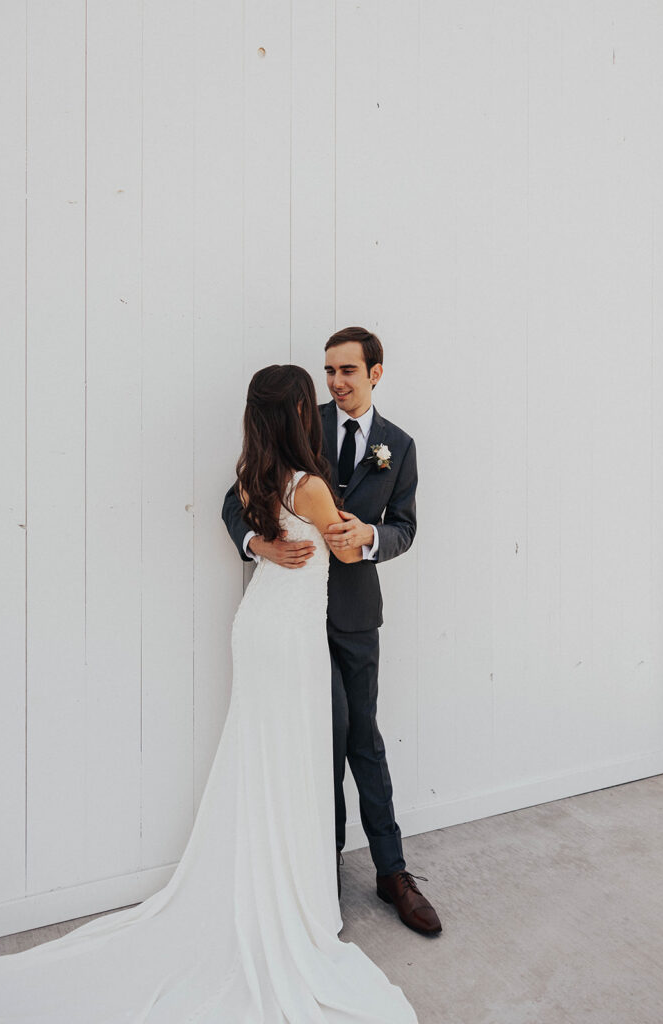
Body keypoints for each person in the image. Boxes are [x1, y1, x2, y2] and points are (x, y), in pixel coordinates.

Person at [0, 363, 417, 1023]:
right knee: (292, 765)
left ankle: (283, 884)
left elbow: (260, 515)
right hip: (290, 640)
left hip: (263, 627)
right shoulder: (309, 487)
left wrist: (269, 540)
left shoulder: (259, 474)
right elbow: (349, 551)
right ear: (303, 413)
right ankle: (288, 898)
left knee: (269, 763)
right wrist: (354, 537)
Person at [222, 327, 442, 937]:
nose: (337, 383)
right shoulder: (300, 420)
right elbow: (235, 499)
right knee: (315, 743)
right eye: (328, 371)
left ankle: (392, 872)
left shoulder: (399, 446)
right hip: (292, 619)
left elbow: (404, 527)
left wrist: (368, 538)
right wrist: (259, 543)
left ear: (375, 373)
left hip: (352, 615)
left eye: (348, 371)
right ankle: (321, 872)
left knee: (361, 740)